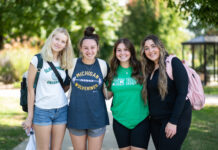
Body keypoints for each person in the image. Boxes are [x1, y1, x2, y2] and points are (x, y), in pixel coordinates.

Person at [22, 27, 74, 150]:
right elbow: (30, 90)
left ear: (66, 45)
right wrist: (30, 117)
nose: (59, 43)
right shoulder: (37, 60)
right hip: (42, 111)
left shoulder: (65, 61)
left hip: (61, 110)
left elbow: (64, 86)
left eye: (63, 41)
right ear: (51, 38)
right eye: (57, 39)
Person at [140, 35, 192, 150]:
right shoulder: (149, 68)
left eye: (153, 46)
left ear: (160, 46)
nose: (150, 50)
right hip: (155, 120)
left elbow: (182, 93)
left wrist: (173, 122)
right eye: (146, 48)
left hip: (175, 117)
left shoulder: (173, 62)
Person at [67, 26, 109, 150]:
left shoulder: (103, 65)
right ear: (80, 48)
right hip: (76, 118)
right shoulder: (72, 64)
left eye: (92, 48)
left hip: (97, 118)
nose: (89, 51)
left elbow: (110, 88)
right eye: (85, 48)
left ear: (97, 48)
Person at [106, 38, 150, 150]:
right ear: (115, 52)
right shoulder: (112, 72)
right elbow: (108, 95)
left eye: (126, 49)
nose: (122, 53)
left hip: (141, 119)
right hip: (120, 120)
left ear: (131, 51)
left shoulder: (142, 68)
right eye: (119, 50)